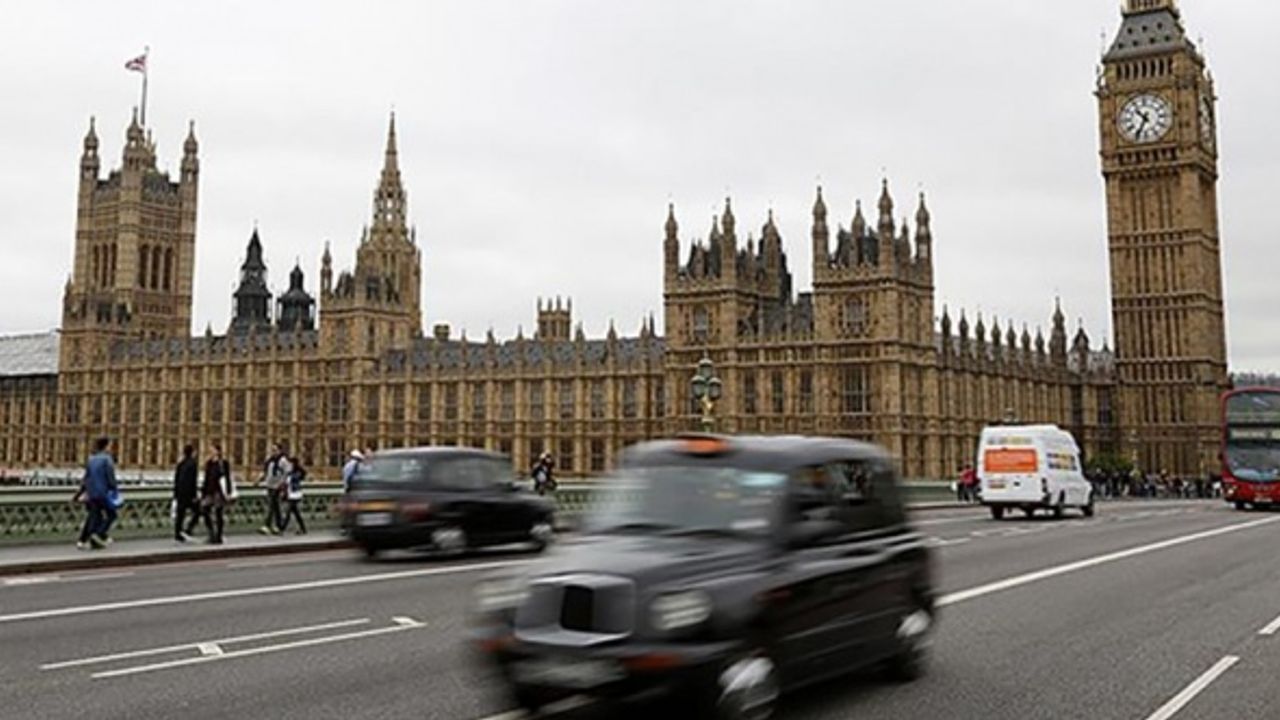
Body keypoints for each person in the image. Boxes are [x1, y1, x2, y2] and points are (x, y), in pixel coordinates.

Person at [77, 436, 118, 550]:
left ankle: (83, 540)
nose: (111, 448)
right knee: (112, 515)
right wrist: (114, 490)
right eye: (110, 445)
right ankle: (98, 534)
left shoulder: (91, 459)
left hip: (92, 492)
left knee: (94, 516)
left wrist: (79, 493)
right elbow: (110, 478)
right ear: (106, 446)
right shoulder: (107, 459)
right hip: (103, 493)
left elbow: (86, 478)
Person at [201, 443, 232, 544]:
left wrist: (228, 492)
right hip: (209, 491)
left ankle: (218, 536)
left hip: (219, 491)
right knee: (204, 509)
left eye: (212, 450)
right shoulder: (209, 463)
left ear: (218, 451)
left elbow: (227, 478)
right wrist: (203, 493)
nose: (210, 452)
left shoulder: (223, 463)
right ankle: (211, 533)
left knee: (219, 513)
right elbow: (206, 479)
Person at [259, 442, 291, 535]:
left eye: (275, 450)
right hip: (270, 486)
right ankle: (278, 526)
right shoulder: (270, 460)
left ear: (280, 450)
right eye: (272, 450)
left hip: (278, 487)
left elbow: (287, 473)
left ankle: (268, 525)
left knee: (272, 506)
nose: (273, 452)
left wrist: (283, 484)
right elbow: (265, 472)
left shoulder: (283, 461)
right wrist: (259, 480)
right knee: (275, 507)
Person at [173, 443, 200, 542]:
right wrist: (194, 495)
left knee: (180, 515)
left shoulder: (180, 464)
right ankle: (188, 529)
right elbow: (193, 481)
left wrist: (175, 494)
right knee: (198, 511)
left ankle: (178, 533)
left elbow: (176, 480)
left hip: (180, 493)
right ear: (192, 453)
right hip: (188, 494)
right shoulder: (193, 464)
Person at [278, 454, 308, 535]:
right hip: (291, 494)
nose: (289, 465)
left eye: (290, 463)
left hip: (295, 495)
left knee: (288, 513)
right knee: (296, 513)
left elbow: (293, 480)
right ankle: (303, 529)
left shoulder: (296, 473)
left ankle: (282, 529)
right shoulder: (290, 473)